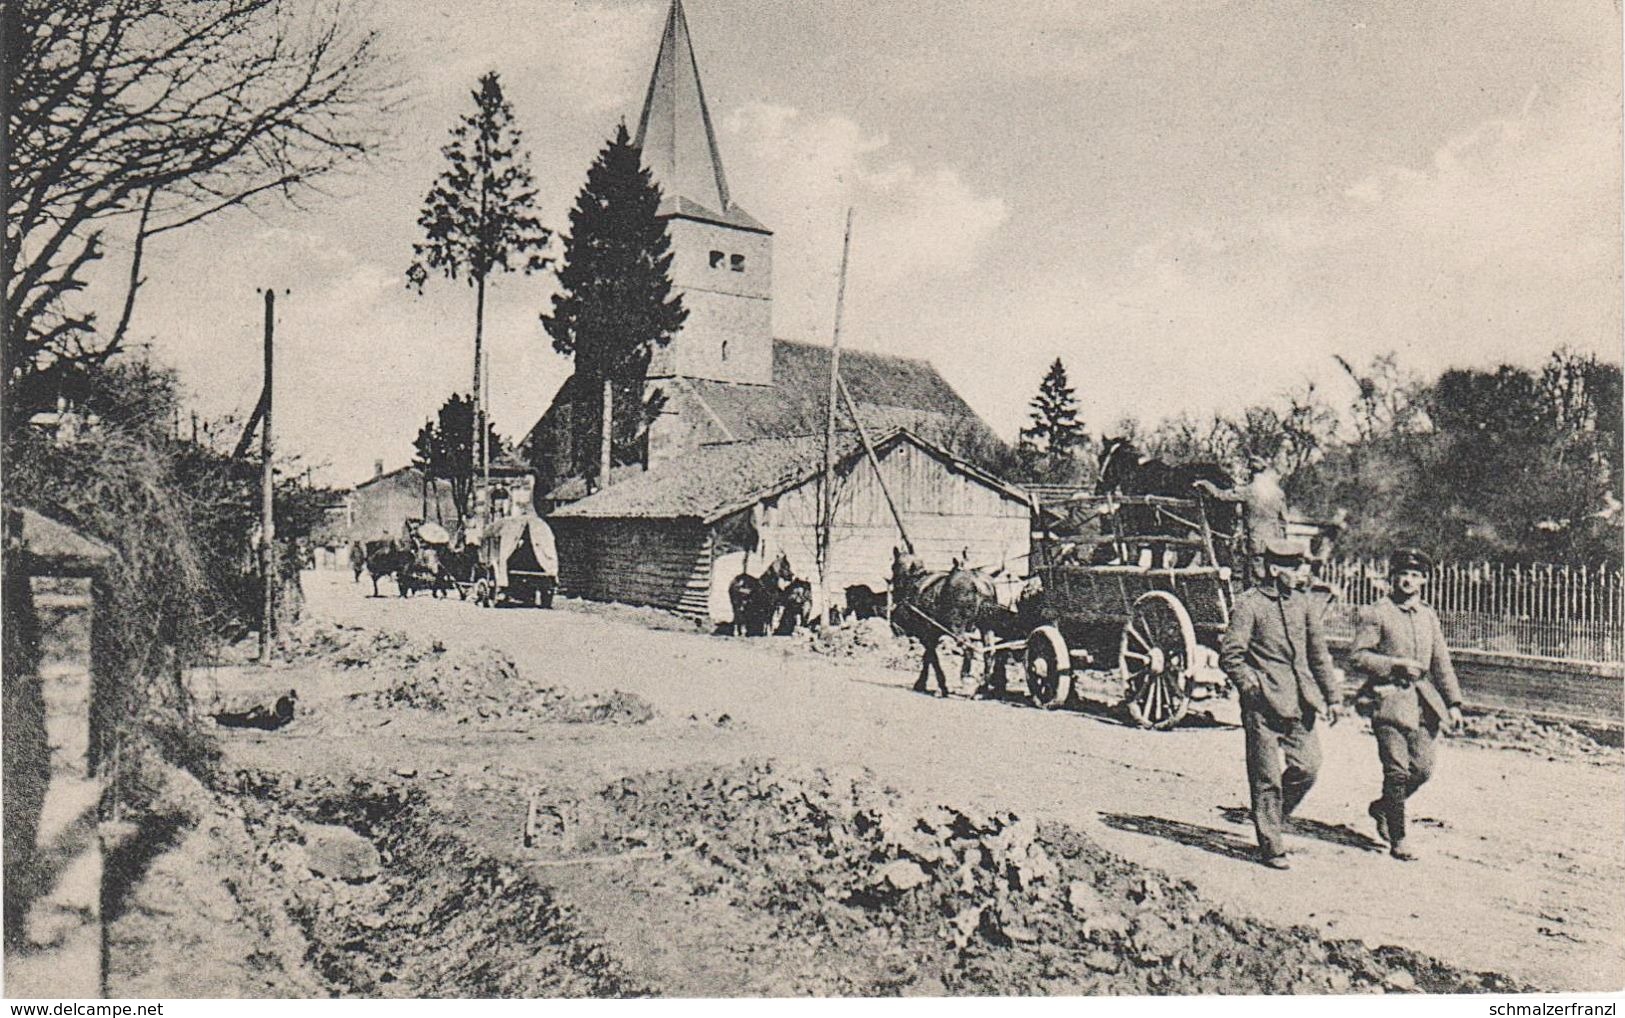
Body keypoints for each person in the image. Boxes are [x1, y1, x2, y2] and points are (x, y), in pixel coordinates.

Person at [1220, 537, 1341, 869]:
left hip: (1301, 702)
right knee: (1266, 776)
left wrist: (1332, 697)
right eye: (1293, 566)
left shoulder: (1303, 604)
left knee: (1308, 767)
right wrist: (1250, 685)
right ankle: (1271, 844)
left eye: (1300, 566)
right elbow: (1231, 655)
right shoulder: (1250, 604)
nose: (1300, 572)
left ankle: (1271, 815)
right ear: (1275, 569)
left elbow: (1318, 656)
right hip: (1263, 704)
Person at [1348, 547, 1463, 861]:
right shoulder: (1377, 612)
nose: (1408, 581)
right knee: (1396, 770)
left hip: (1424, 705)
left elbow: (1441, 662)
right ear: (1392, 578)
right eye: (1402, 575)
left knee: (1422, 769)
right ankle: (1398, 838)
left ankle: (1383, 808)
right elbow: (1358, 657)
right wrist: (1395, 665)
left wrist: (1453, 703)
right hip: (1387, 701)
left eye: (1414, 576)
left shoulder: (1427, 615)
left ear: (1423, 581)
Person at [1239, 454, 1289, 585]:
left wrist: (1207, 485)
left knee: (1255, 577)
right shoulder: (1278, 492)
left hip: (1257, 539)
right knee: (1272, 576)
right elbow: (1284, 520)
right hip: (1275, 541)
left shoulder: (1249, 490)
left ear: (1250, 471)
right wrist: (1282, 540)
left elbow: (1222, 496)